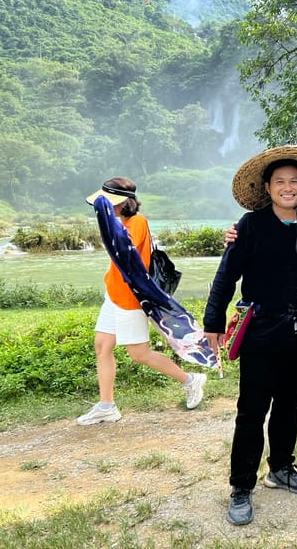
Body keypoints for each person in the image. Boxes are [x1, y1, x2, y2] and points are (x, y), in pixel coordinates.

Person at [203, 146, 297, 526]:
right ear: (267, 186)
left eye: (294, 181)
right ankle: (241, 486)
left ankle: (281, 468)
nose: (288, 187)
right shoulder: (249, 226)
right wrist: (213, 322)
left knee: (289, 406)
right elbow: (226, 276)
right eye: (280, 182)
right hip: (261, 332)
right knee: (251, 411)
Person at [78, 178, 206, 426]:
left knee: (139, 354)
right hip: (113, 294)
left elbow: (127, 250)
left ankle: (191, 380)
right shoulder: (122, 221)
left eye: (111, 203)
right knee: (102, 346)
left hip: (129, 299)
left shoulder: (137, 222)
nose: (109, 208)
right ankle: (107, 406)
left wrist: (109, 223)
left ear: (124, 203)